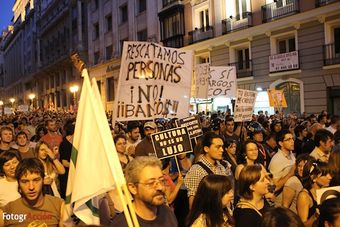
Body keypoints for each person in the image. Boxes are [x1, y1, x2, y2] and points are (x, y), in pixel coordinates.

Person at [110, 156, 178, 227]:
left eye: (161, 181)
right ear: (133, 188)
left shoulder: (167, 212)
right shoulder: (122, 224)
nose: (160, 187)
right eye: (151, 183)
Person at [0, 158, 64, 226]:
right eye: (25, 182)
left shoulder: (59, 206)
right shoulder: (7, 211)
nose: (31, 187)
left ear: (43, 180)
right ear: (18, 183)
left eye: (36, 180)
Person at [184, 132, 233, 208]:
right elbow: (193, 205)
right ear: (206, 149)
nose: (222, 150)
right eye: (218, 147)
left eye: (222, 147)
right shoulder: (196, 170)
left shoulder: (222, 167)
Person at [297, 160, 332, 227]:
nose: (330, 177)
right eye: (325, 175)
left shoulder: (326, 191)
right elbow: (302, 225)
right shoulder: (304, 196)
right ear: (314, 178)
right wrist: (314, 217)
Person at [268, 130, 296, 206]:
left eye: (292, 138)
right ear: (280, 143)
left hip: (293, 198)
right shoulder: (276, 160)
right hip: (282, 202)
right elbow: (274, 187)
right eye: (288, 139)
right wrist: (290, 174)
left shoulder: (291, 154)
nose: (292, 141)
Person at [58, 120, 75, 199]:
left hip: (73, 174)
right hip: (66, 175)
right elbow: (64, 162)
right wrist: (76, 167)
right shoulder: (64, 144)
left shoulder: (74, 143)